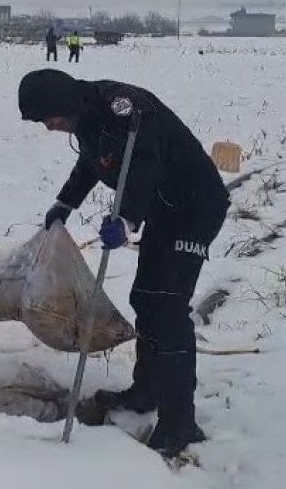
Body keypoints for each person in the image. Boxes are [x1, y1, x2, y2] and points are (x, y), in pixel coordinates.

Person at [16, 69, 230, 457]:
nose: (49, 127)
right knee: (146, 299)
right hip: (164, 208)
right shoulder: (87, 117)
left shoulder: (126, 111)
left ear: (66, 104)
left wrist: (127, 219)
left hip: (195, 207)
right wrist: (66, 202)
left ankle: (180, 424)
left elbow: (144, 165)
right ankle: (147, 390)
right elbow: (91, 163)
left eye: (50, 118)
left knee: (166, 308)